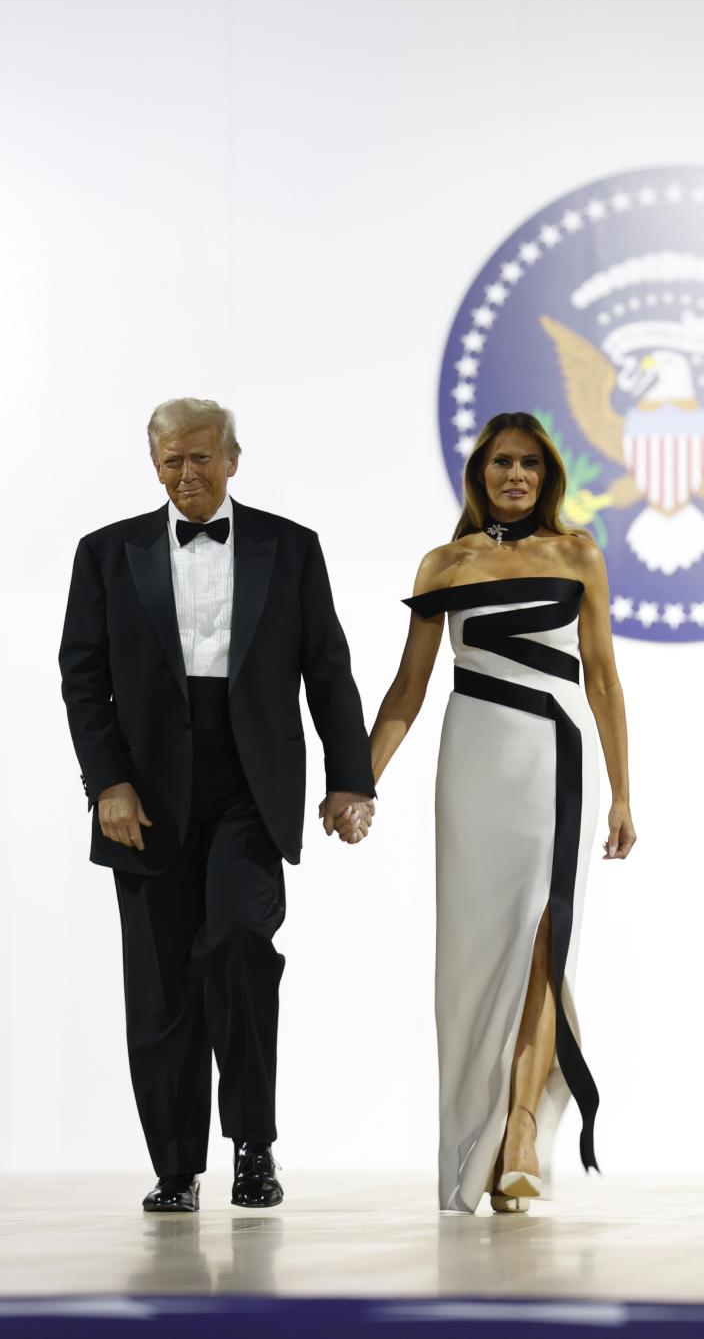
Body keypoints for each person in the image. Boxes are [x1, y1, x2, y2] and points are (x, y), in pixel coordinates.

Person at [58, 399, 374, 1213]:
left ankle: (253, 1148)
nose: (188, 475)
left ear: (234, 457)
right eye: (172, 460)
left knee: (238, 946)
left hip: (248, 784)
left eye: (202, 458)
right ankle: (174, 1169)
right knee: (161, 988)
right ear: (153, 463)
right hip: (144, 793)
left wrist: (351, 777)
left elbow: (327, 667)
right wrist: (107, 785)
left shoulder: (290, 547)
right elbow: (84, 677)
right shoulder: (104, 552)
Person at [370, 411, 635, 1214]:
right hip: (473, 769)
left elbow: (603, 678)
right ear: (479, 474)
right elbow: (407, 690)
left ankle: (520, 1134)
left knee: (546, 941)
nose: (514, 475)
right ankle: (476, 1136)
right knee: (477, 956)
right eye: (499, 464)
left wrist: (624, 792)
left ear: (546, 474)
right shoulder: (444, 563)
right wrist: (359, 781)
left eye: (527, 463)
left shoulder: (578, 552)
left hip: (556, 764)